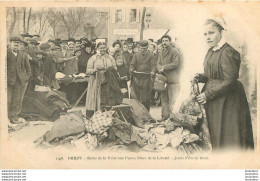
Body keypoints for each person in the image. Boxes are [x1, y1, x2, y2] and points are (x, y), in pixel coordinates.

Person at [194, 17, 254, 150]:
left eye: (211, 33)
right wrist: (200, 77)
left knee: (228, 134)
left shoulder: (227, 51)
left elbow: (229, 80)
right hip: (215, 97)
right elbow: (212, 75)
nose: (208, 37)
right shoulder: (211, 51)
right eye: (205, 34)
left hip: (228, 99)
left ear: (221, 33)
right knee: (215, 132)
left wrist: (208, 94)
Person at [85, 41, 118, 118]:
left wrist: (111, 70)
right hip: (96, 80)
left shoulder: (110, 57)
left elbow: (115, 67)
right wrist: (94, 70)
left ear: (106, 48)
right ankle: (96, 114)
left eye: (104, 48)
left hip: (108, 80)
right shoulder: (93, 58)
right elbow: (88, 70)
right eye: (101, 48)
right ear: (97, 48)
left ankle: (107, 114)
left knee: (107, 96)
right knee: (97, 97)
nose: (102, 49)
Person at [157, 35, 181, 121]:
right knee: (164, 99)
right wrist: (159, 68)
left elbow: (176, 63)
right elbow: (158, 63)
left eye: (166, 40)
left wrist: (164, 67)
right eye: (163, 41)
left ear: (170, 42)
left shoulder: (174, 51)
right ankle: (165, 116)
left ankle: (173, 118)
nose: (164, 42)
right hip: (163, 79)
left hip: (173, 79)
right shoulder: (161, 52)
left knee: (173, 99)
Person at [7, 37, 30, 123]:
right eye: (14, 43)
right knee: (7, 99)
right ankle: (5, 117)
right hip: (8, 80)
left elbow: (26, 68)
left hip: (19, 80)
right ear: (10, 43)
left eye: (18, 43)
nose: (16, 44)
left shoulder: (21, 54)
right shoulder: (5, 52)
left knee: (16, 100)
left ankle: (13, 117)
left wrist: (25, 77)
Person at [129, 40, 157, 111]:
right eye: (141, 48)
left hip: (147, 78)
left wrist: (153, 72)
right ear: (139, 47)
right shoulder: (136, 55)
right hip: (137, 78)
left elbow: (154, 65)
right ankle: (137, 114)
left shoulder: (151, 55)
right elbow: (132, 64)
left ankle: (147, 114)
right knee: (136, 97)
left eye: (144, 48)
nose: (142, 50)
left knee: (146, 98)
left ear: (147, 47)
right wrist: (132, 69)